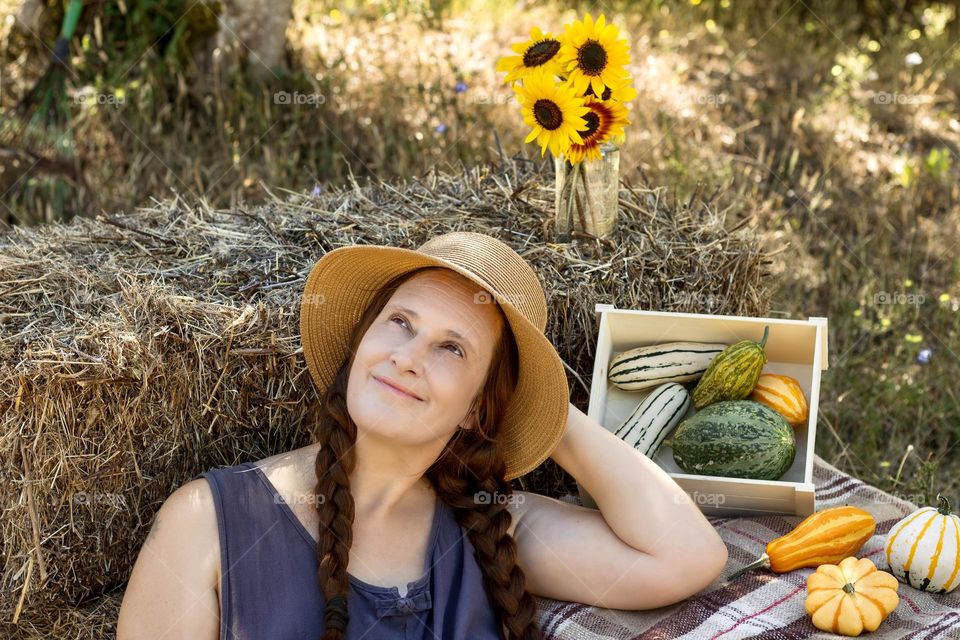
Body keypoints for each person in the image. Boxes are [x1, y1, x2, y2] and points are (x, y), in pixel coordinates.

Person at [117, 231, 728, 639]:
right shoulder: (208, 521)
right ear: (361, 342)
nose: (407, 357)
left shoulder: (488, 524)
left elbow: (686, 557)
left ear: (475, 409)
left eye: (451, 349)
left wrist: (547, 410)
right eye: (399, 323)